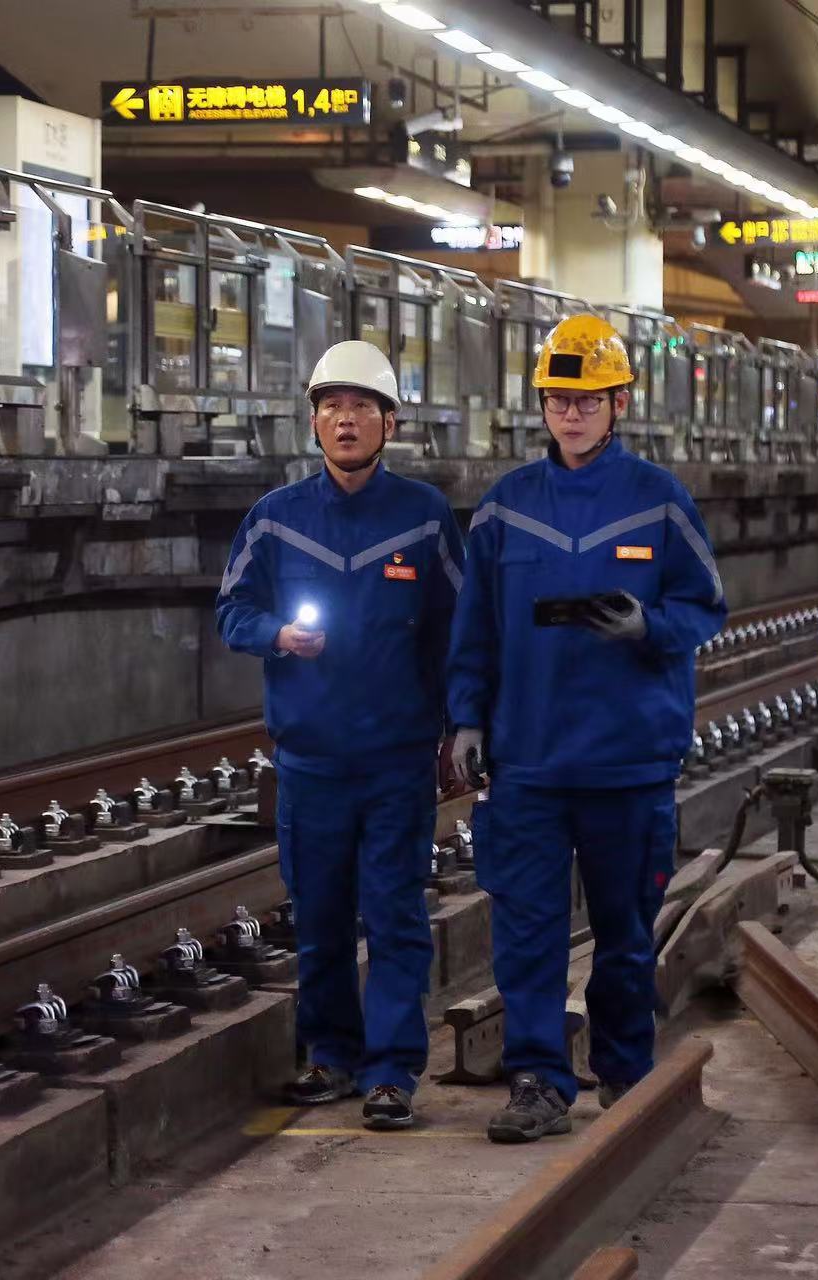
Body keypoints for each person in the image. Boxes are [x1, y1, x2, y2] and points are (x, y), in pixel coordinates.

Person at [446, 314, 726, 1142]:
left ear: (619, 404)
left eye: (588, 400)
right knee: (526, 933)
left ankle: (626, 1071)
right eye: (558, 400)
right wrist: (466, 719)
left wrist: (650, 625)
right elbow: (475, 628)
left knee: (625, 933)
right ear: (542, 406)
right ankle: (538, 1080)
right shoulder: (505, 508)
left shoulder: (660, 501)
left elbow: (705, 606)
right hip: (529, 761)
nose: (570, 414)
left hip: (628, 759)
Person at [216, 340, 463, 1131]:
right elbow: (231, 611)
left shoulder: (423, 517)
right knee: (319, 917)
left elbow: (454, 630)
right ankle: (331, 1055)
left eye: (361, 407)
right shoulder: (275, 518)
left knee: (394, 915)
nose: (345, 420)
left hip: (395, 759)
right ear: (315, 422)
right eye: (331, 408)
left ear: (391, 423)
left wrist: (459, 726)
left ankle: (391, 1072)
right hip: (311, 758)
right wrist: (276, 634)